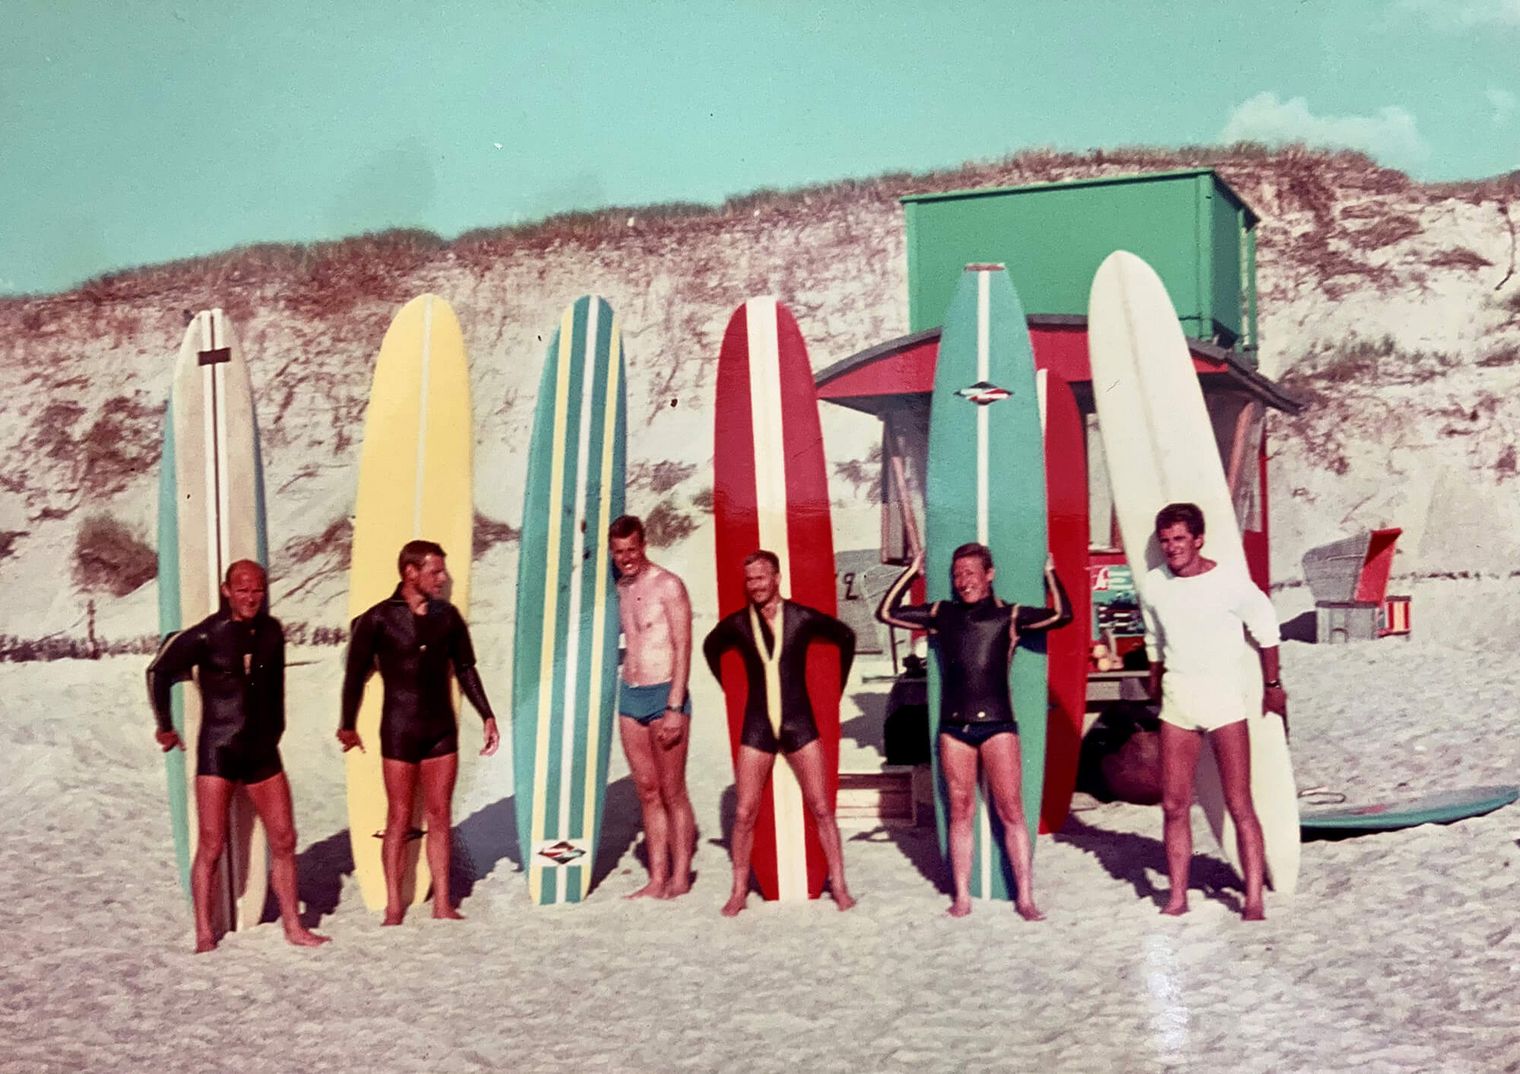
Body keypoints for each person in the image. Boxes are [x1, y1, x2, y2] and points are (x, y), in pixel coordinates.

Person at [877, 543, 1070, 920]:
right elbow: (886, 612)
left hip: (999, 726)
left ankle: (1026, 897)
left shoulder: (1010, 616)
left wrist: (1050, 574)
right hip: (954, 727)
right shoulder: (941, 614)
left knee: (1011, 810)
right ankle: (962, 896)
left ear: (989, 574)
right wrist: (912, 572)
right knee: (960, 811)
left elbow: (1063, 615)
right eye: (956, 574)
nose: (963, 582)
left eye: (970, 572)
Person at [147, 559, 330, 953]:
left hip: (262, 750)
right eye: (243, 589)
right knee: (212, 843)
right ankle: (203, 931)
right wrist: (165, 724)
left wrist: (276, 730)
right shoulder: (205, 636)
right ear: (226, 590)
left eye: (258, 590)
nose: (251, 597)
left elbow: (277, 686)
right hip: (219, 748)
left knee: (284, 838)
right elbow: (158, 672)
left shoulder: (271, 632)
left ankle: (294, 927)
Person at [337, 540, 500, 925]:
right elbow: (355, 676)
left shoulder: (448, 617)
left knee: (440, 816)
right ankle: (395, 907)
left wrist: (487, 715)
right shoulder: (376, 619)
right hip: (399, 730)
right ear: (411, 573)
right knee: (399, 817)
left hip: (441, 729)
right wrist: (347, 724)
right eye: (435, 572)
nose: (443, 579)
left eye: (442, 572)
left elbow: (465, 668)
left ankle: (443, 902)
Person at [1140, 502, 1285, 921]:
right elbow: (1154, 635)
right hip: (1178, 699)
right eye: (1165, 540)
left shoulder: (1229, 581)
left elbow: (1267, 626)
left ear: (1198, 539)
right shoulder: (1154, 584)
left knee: (1240, 803)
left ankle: (1253, 898)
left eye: (1180, 539)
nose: (1172, 548)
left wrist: (1273, 685)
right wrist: (1154, 674)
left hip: (1224, 701)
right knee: (1173, 804)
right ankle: (1178, 896)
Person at [703, 550, 858, 916]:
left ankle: (839, 885)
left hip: (799, 723)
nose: (755, 585)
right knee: (743, 812)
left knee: (821, 807)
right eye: (750, 579)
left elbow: (845, 637)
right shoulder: (739, 624)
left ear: (776, 578)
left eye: (761, 577)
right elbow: (711, 648)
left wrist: (836, 690)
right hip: (757, 724)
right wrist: (729, 689)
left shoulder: (801, 617)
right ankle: (739, 889)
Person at [609, 514, 696, 899]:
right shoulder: (619, 588)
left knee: (672, 790)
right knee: (646, 790)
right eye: (619, 552)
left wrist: (675, 706)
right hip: (630, 694)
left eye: (632, 549)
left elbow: (683, 646)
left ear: (643, 545)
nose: (626, 558)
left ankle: (680, 877)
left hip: (665, 695)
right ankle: (656, 879)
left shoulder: (668, 585)